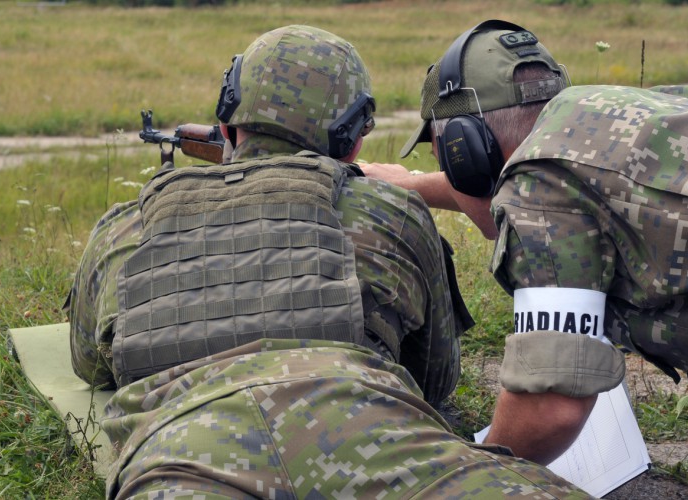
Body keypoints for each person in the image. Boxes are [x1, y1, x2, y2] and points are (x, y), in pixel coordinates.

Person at [66, 24, 592, 499]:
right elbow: (434, 380)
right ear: (354, 142)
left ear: (227, 127)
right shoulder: (396, 213)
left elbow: (90, 365)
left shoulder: (122, 227)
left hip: (179, 463)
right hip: (379, 447)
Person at [362, 18, 688, 466]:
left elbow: (551, 406)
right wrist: (411, 184)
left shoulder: (540, 191)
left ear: (467, 155)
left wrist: (473, 479)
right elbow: (500, 185)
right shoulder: (609, 121)